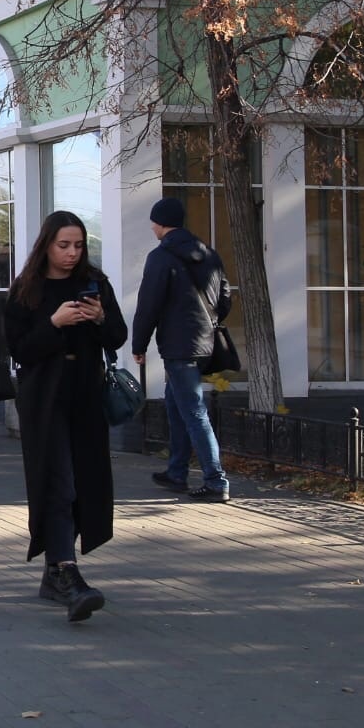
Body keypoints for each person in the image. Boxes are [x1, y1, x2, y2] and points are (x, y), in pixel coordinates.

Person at [2, 210, 129, 622]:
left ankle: (54, 572)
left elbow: (117, 337)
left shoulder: (94, 283)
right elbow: (19, 350)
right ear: (47, 245)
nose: (71, 253)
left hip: (85, 396)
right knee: (59, 483)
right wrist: (54, 324)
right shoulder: (27, 289)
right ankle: (66, 573)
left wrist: (100, 318)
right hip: (44, 398)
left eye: (78, 245)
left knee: (85, 482)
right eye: (63, 245)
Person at [132, 196, 233, 503]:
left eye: (153, 222)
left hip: (179, 346)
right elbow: (225, 297)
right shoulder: (208, 254)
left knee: (193, 412)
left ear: (161, 223)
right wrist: (207, 323)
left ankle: (216, 481)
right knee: (175, 405)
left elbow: (149, 304)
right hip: (205, 343)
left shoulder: (160, 257)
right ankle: (176, 471)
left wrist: (139, 344)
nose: (152, 227)